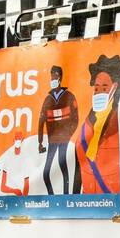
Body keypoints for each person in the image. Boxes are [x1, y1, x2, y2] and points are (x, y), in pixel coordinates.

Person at [78, 55, 120, 195]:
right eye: (96, 89)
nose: (99, 93)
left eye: (105, 88)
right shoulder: (89, 121)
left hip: (115, 200)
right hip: (88, 201)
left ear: (114, 87)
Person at [37, 64, 78, 196]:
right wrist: (40, 142)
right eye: (51, 77)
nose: (53, 79)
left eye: (55, 76)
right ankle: (52, 197)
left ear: (60, 78)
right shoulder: (47, 99)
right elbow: (41, 121)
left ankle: (66, 196)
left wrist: (68, 133)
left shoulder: (69, 96)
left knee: (63, 167)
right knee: (46, 172)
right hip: (52, 140)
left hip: (64, 139)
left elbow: (75, 119)